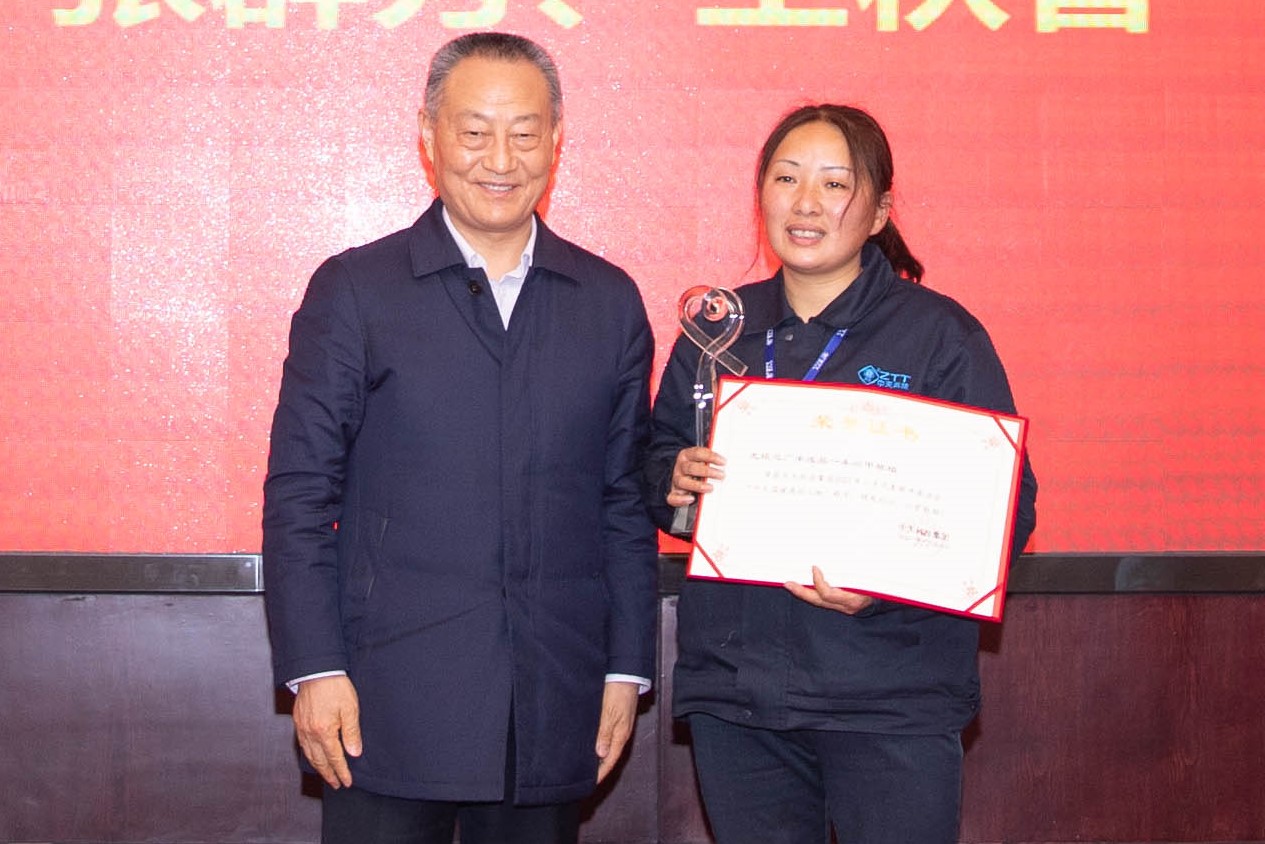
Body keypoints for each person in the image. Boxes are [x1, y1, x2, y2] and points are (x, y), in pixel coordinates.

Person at [262, 32, 659, 844]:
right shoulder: (356, 291)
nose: (500, 159)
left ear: (556, 139)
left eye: (524, 133)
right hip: (381, 702)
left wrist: (625, 667)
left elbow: (621, 502)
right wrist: (315, 668)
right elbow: (299, 494)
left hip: (550, 699)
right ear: (429, 135)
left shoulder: (608, 301)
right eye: (474, 131)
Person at [643, 104, 1039, 844]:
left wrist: (885, 586)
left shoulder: (938, 336)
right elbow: (658, 462)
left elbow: (1004, 507)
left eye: (834, 184)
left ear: (879, 210)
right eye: (786, 178)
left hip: (891, 695)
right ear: (760, 194)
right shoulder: (717, 331)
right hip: (738, 696)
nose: (805, 202)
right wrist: (673, 480)